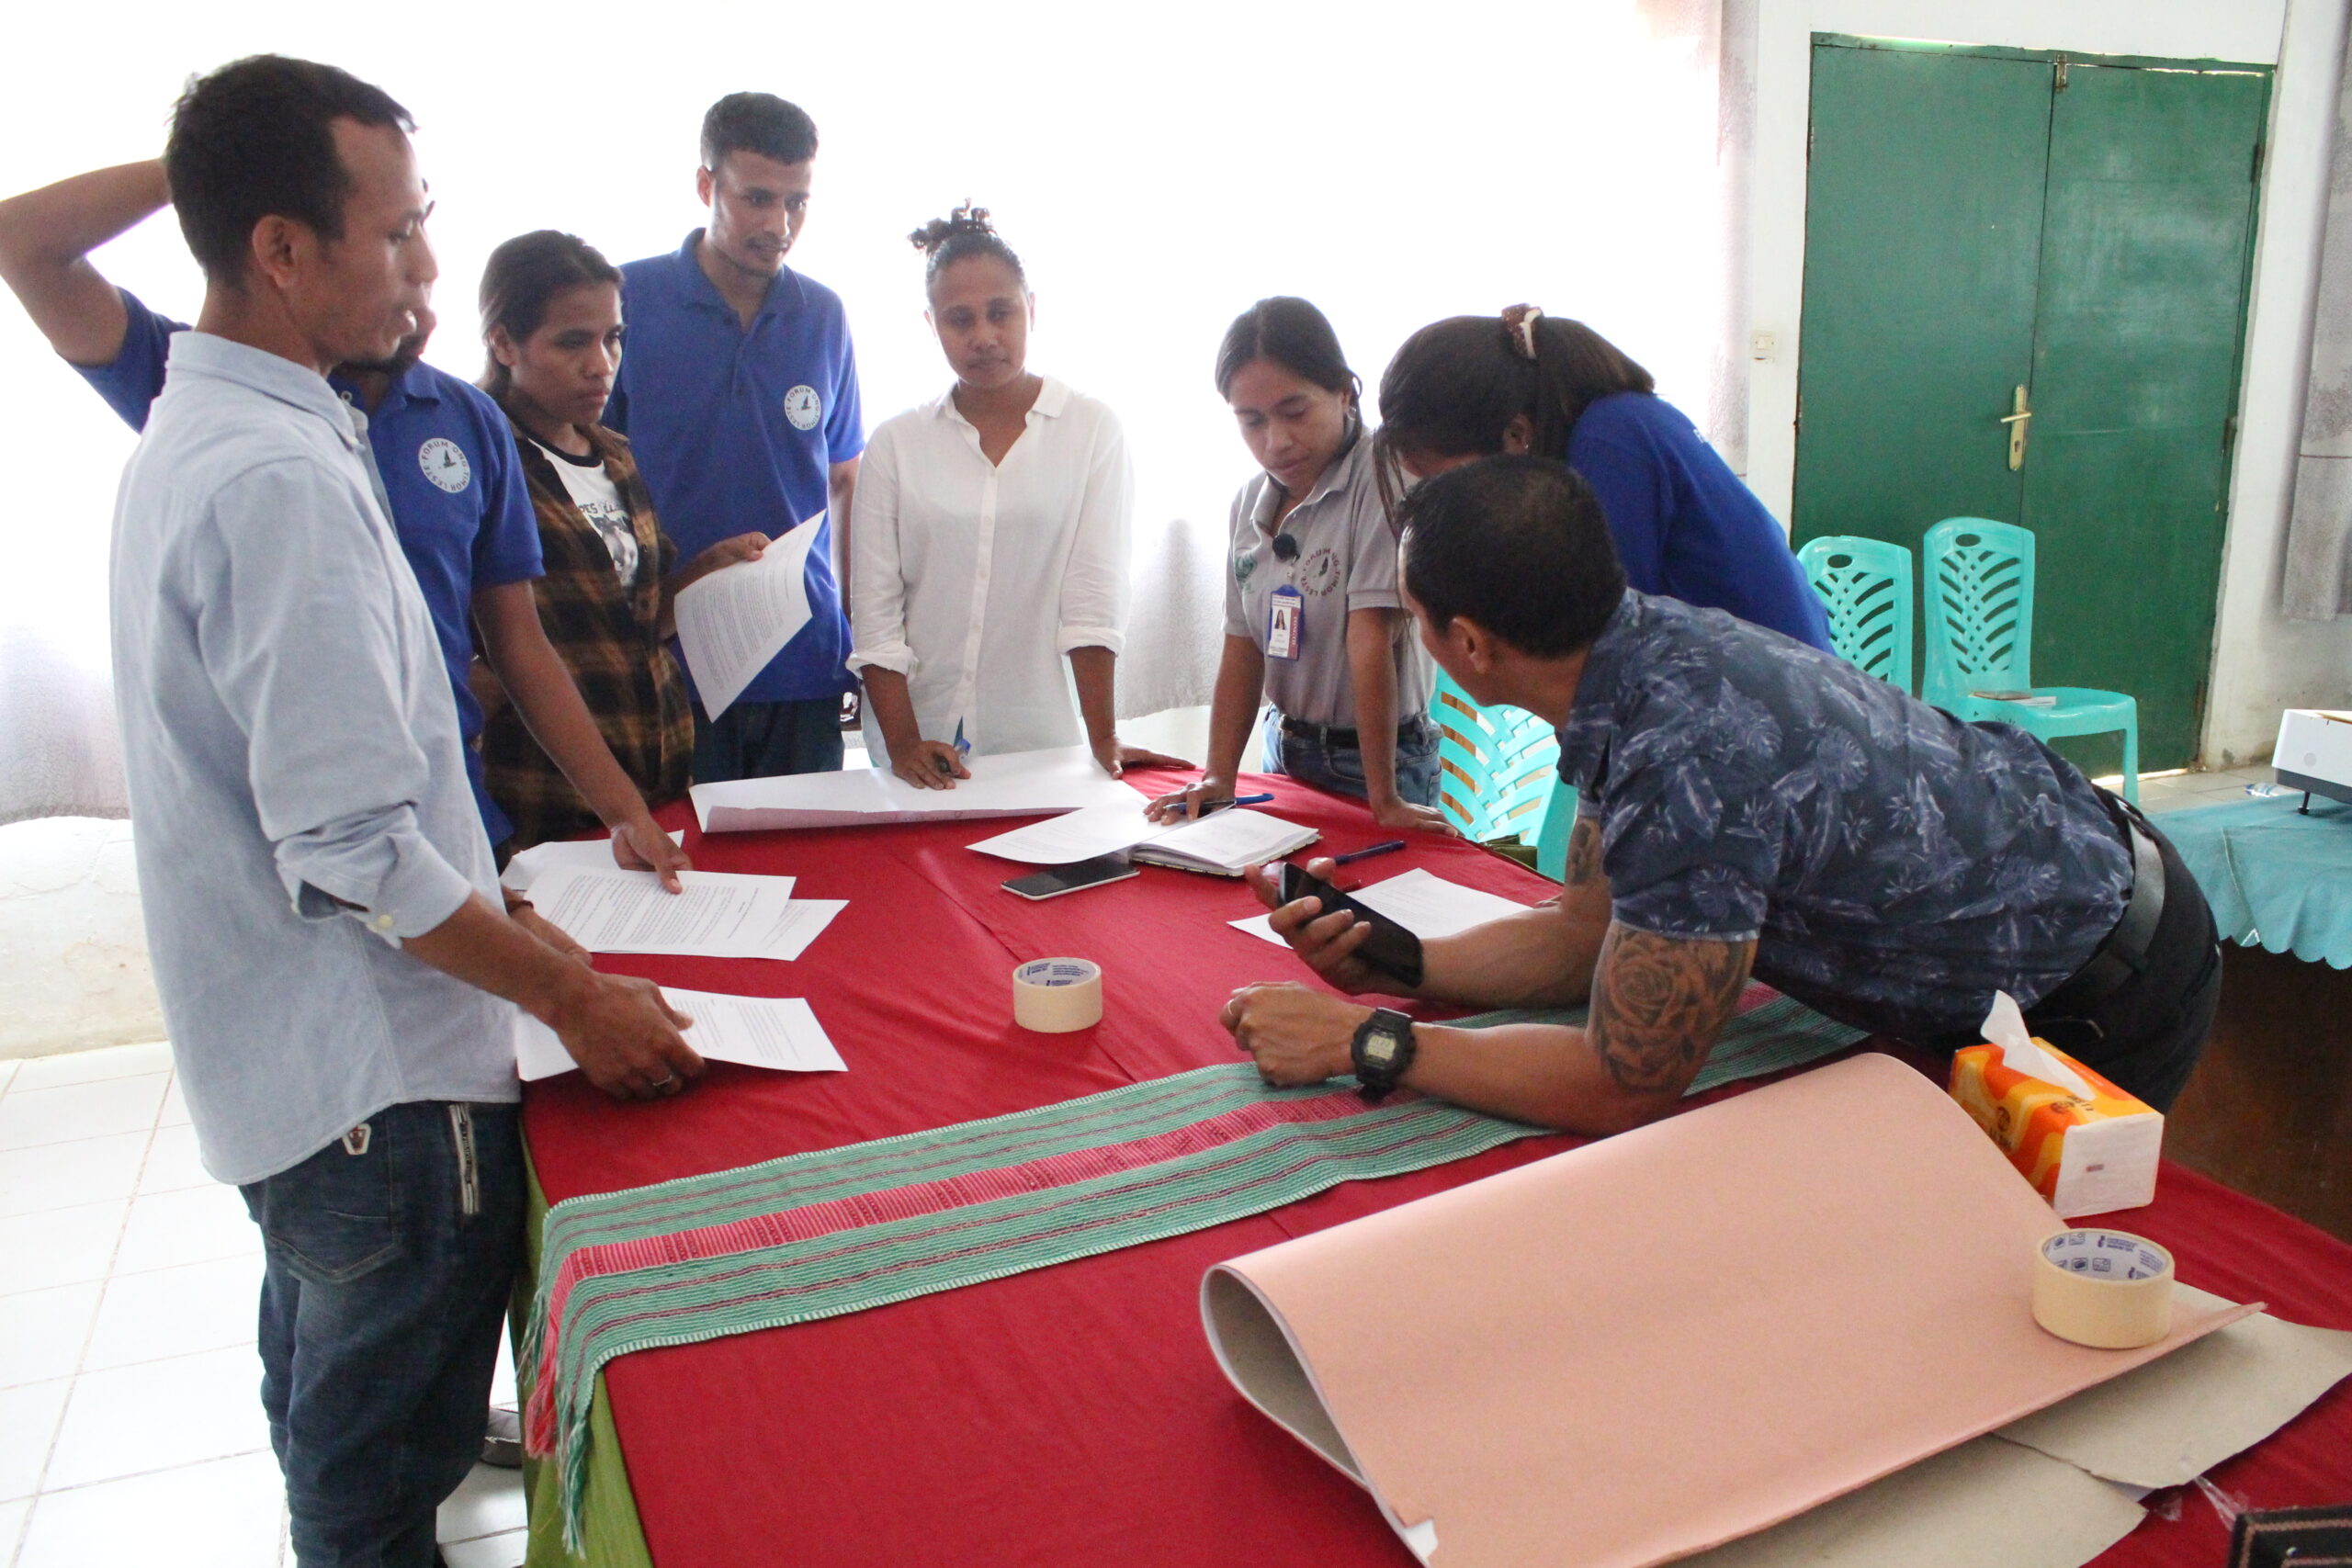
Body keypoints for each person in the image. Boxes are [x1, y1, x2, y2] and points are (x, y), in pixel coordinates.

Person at [109, 57, 705, 1563]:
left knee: (329, 1410)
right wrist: (578, 997)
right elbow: (350, 843)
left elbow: (337, 780)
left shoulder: (234, 427)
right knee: (372, 1487)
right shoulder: (274, 477)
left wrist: (494, 888)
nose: (425, 268)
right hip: (376, 1093)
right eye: (397, 234)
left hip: (297, 1072)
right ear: (283, 250)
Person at [1224, 456, 2219, 1133]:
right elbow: (1586, 934)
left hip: (2104, 983)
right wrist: (1401, 963)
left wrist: (1373, 1041)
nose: (1412, 637)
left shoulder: (1683, 758)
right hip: (2069, 903)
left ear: (1470, 645)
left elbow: (1626, 1081)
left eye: (1414, 619)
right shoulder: (1628, 654)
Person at [0, 160, 692, 895]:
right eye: (391, 253)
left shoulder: (468, 421)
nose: (415, 293)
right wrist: (220, 154)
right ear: (289, 260)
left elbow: (521, 646)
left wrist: (622, 812)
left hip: (445, 807)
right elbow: (24, 243)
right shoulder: (214, 387)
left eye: (424, 276)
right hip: (285, 836)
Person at [848, 206, 1182, 786]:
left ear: (1031, 308)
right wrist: (902, 744)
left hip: (1039, 744)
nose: (983, 337)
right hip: (912, 748)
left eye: (1000, 312)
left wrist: (1103, 739)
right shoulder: (896, 443)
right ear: (931, 325)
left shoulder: (1091, 429)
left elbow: (1093, 597)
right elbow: (875, 609)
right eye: (960, 319)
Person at [478, 231, 768, 846]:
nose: (601, 363)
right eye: (572, 342)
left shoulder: (613, 452)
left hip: (655, 772)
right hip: (543, 792)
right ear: (504, 342)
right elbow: (505, 646)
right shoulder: (482, 458)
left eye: (612, 337)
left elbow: (631, 625)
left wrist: (708, 570)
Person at [607, 92, 863, 783]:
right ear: (705, 185)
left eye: (797, 202)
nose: (780, 223)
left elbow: (844, 481)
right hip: (672, 659)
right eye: (757, 198)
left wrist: (852, 634)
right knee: (687, 880)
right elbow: (588, 477)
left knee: (817, 877)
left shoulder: (824, 316)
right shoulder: (626, 300)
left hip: (802, 658)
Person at [1375, 308, 1836, 652]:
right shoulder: (1619, 422)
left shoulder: (1610, 443)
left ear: (1516, 434)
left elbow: (1611, 632)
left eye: (1453, 483)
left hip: (1779, 702)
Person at [1148, 298, 1444, 831]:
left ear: (1344, 393)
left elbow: (1370, 639)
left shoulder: (1385, 479)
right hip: (1283, 746)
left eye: (1295, 412)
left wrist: (1386, 801)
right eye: (1252, 421)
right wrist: (1220, 776)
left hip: (1375, 762)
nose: (1276, 441)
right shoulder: (1248, 502)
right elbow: (1242, 648)